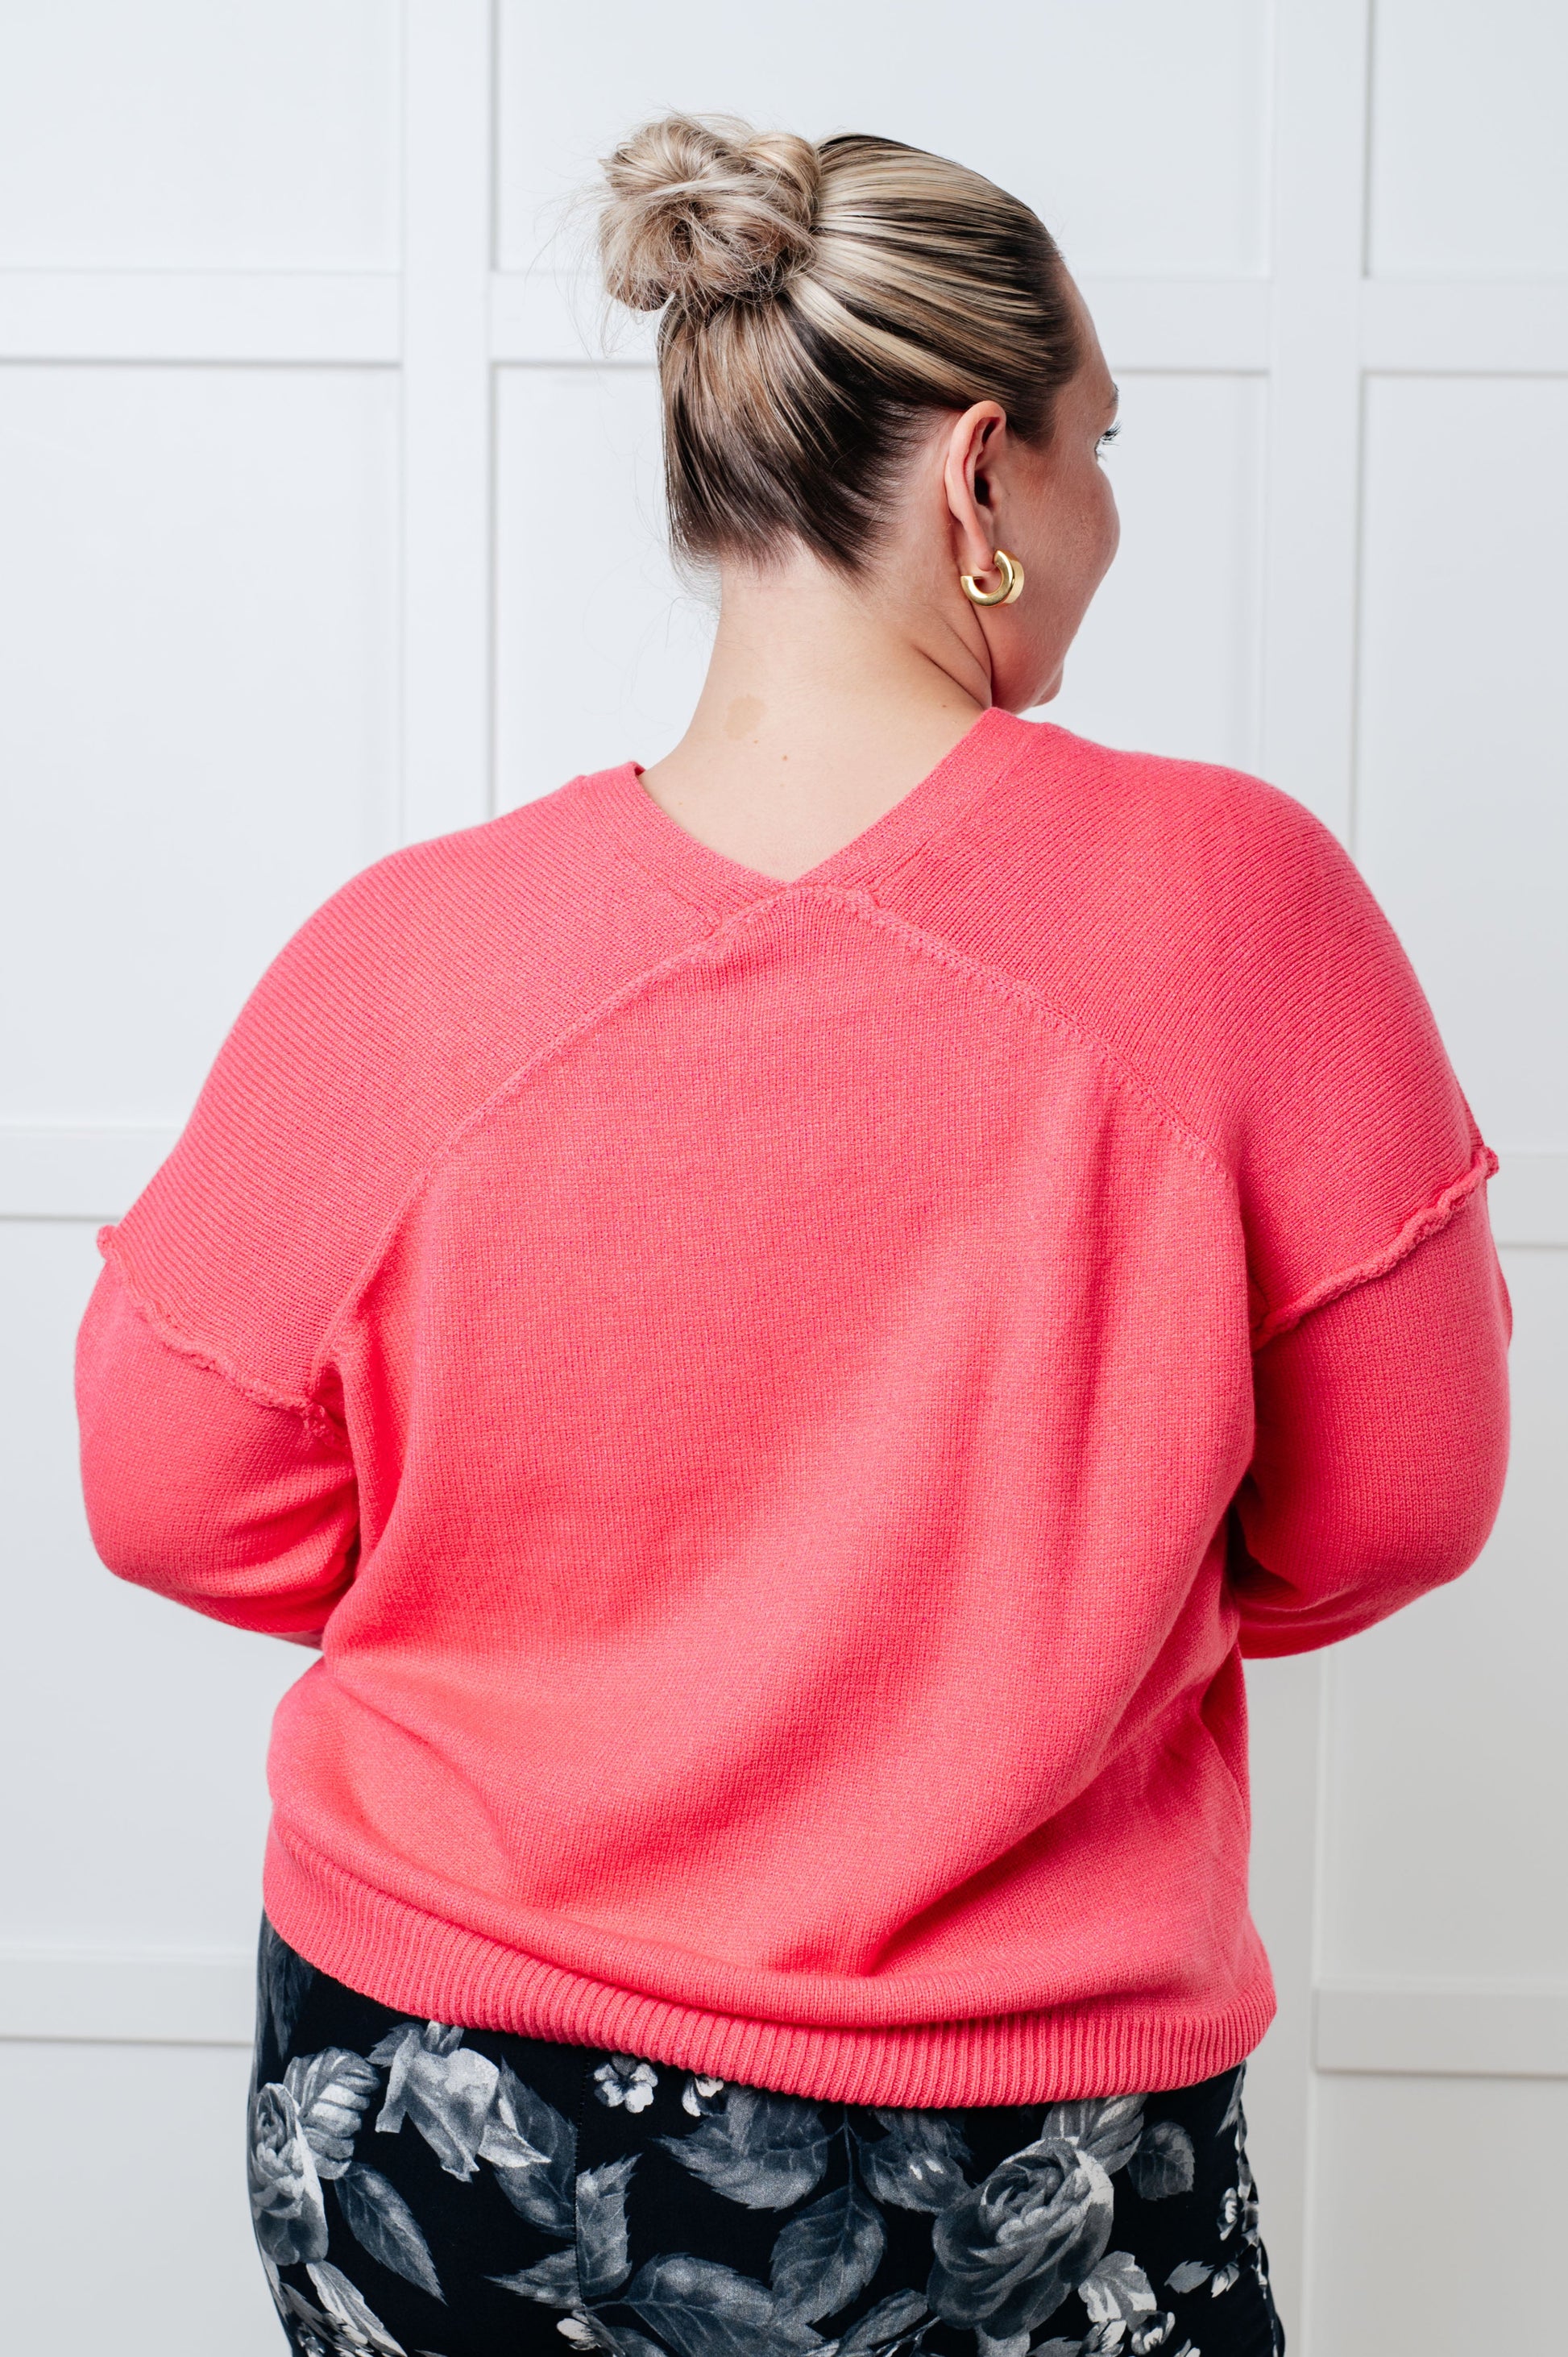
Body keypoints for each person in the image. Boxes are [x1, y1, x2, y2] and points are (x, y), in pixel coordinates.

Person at [76, 114, 1510, 2357]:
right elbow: (1396, 1498)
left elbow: (170, 1497)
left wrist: (562, 1613)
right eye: (1099, 446)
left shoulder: (410, 962)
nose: (1107, 517)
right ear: (981, 476)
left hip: (446, 2111)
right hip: (1016, 2147)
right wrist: (1052, 1590)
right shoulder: (1237, 910)